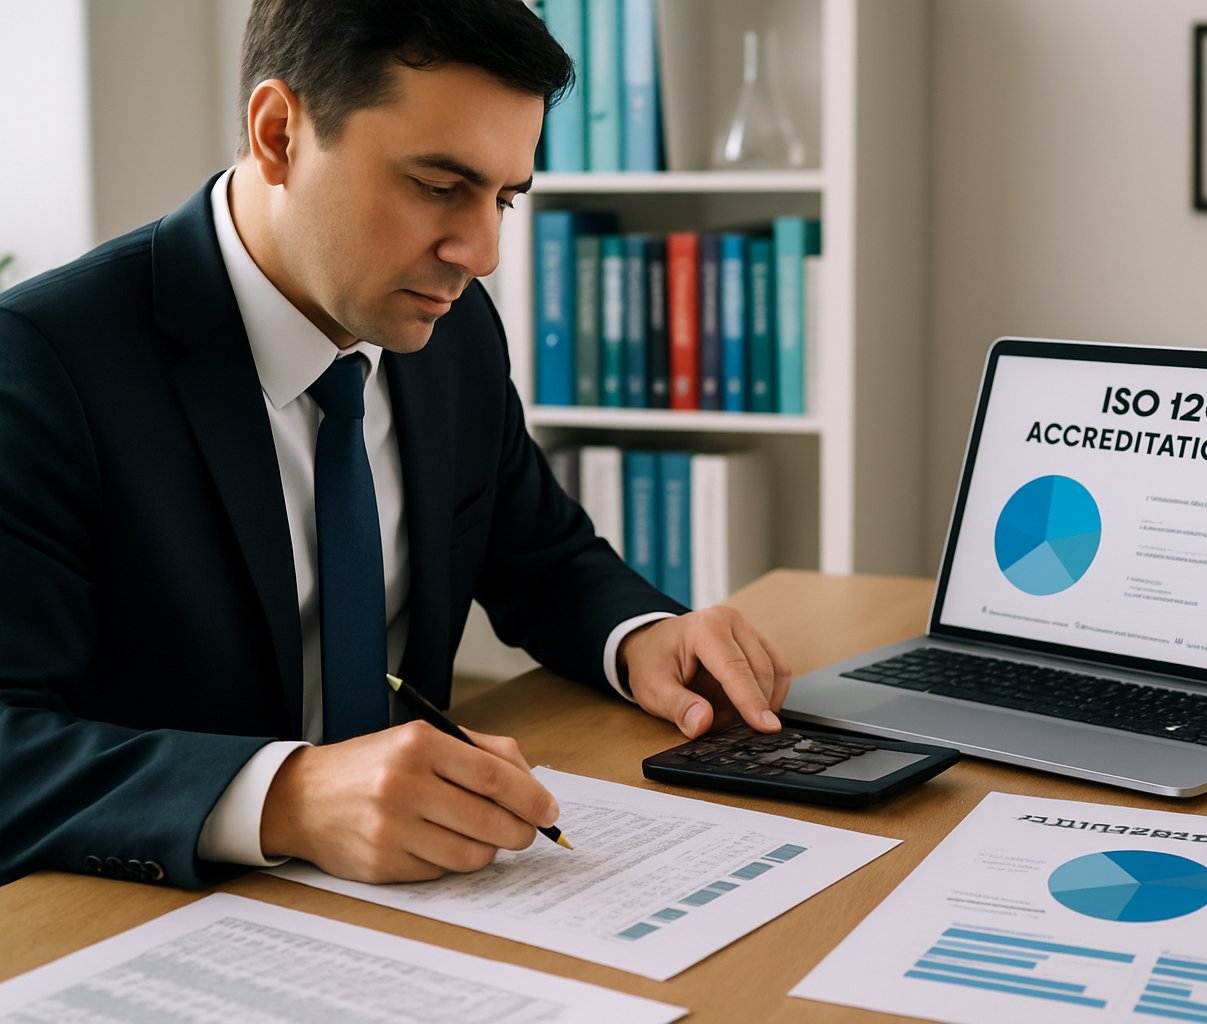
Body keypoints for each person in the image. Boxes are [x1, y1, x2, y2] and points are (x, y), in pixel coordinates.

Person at [0, 0, 790, 889]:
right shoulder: (41, 364)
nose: (483, 251)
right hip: (159, 914)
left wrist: (643, 636)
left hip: (419, 900)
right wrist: (286, 796)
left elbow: (542, 556)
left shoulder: (449, 330)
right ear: (278, 133)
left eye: (506, 198)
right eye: (438, 185)